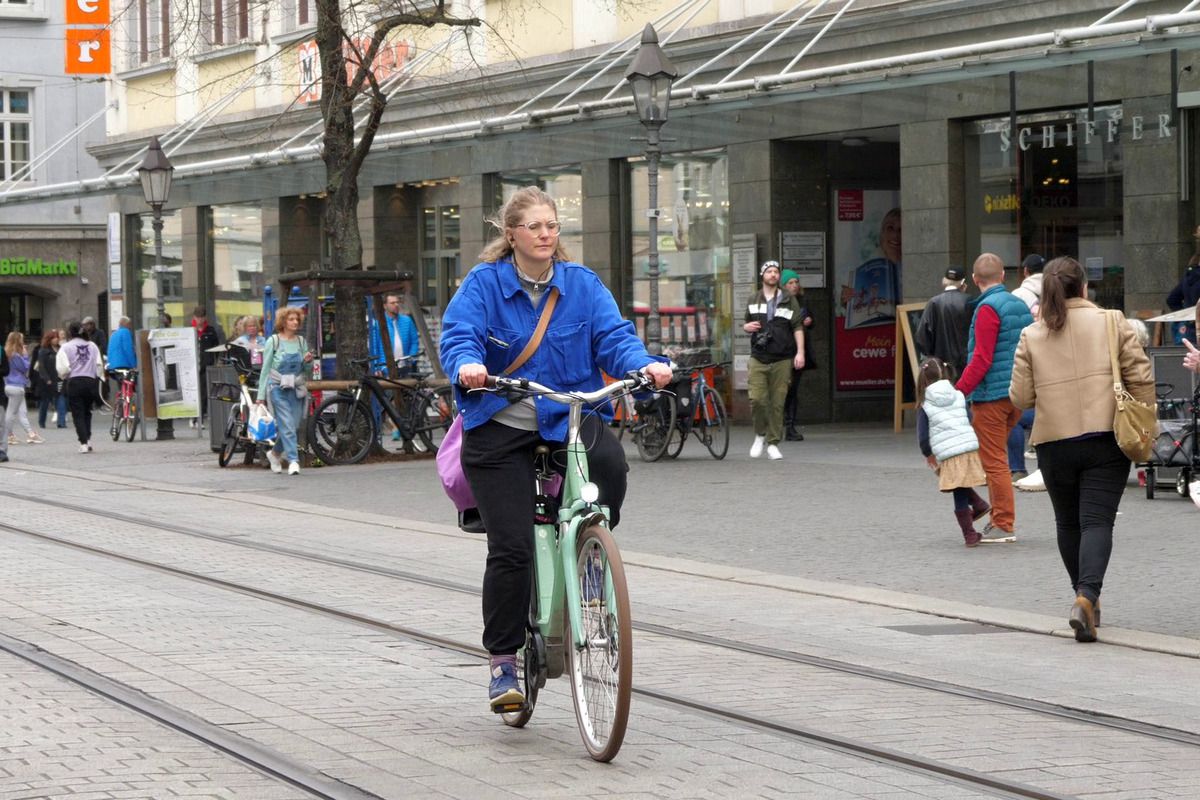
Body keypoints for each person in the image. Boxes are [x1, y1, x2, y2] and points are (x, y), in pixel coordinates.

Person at [439, 186, 672, 711]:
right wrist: (468, 367)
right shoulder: (484, 285)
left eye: (553, 226)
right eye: (536, 226)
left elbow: (614, 337)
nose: (547, 234)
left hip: (568, 416)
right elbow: (459, 337)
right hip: (500, 424)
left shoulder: (581, 286)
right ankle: (502, 663)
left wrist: (645, 363)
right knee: (513, 548)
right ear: (512, 234)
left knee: (611, 463)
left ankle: (592, 554)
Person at [1010, 257, 1154, 642]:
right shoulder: (1112, 321)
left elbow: (1021, 397)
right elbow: (1141, 377)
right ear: (1084, 287)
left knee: (1068, 523)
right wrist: (1143, 419)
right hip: (1105, 438)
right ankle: (1087, 597)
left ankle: (1084, 599)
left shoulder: (1032, 334)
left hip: (1054, 442)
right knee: (1097, 522)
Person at [956, 253, 1033, 543]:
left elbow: (982, 358)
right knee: (997, 458)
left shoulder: (987, 308)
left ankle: (1002, 522)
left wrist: (959, 390)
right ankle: (998, 516)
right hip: (1016, 393)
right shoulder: (1020, 305)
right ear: (1003, 276)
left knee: (995, 462)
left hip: (991, 396)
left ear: (976, 280)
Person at [916, 357, 990, 547]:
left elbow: (923, 436)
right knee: (960, 483)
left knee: (958, 490)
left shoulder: (925, 403)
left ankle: (969, 535)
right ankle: (979, 504)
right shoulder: (958, 394)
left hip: (948, 453)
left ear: (923, 379)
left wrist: (928, 453)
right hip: (967, 447)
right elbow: (969, 416)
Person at [744, 260, 805, 460]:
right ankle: (760, 434)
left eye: (776, 272)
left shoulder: (788, 299)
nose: (773, 275)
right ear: (763, 275)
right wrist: (746, 328)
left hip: (782, 357)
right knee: (757, 400)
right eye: (769, 271)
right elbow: (746, 323)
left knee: (778, 402)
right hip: (759, 356)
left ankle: (772, 443)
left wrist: (800, 352)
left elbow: (797, 326)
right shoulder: (754, 298)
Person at [256, 306, 313, 476]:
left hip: (295, 388)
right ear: (283, 322)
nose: (295, 322)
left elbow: (306, 369)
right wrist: (260, 396)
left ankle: (274, 454)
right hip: (277, 388)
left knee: (292, 426)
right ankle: (293, 461)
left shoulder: (301, 342)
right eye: (291, 319)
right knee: (287, 424)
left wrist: (308, 361)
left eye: (297, 319)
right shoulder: (273, 341)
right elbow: (265, 369)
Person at [1007, 255, 1045, 484]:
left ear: (1025, 271)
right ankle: (1045, 468)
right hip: (1054, 365)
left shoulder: (1017, 296)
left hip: (1027, 362)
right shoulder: (1058, 292)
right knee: (1047, 413)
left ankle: (1018, 469)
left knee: (1017, 417)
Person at [369, 293, 421, 443]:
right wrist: (378, 365)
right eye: (392, 303)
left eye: (397, 302)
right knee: (390, 398)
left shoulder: (407, 321)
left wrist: (411, 357)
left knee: (406, 397)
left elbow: (414, 341)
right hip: (386, 367)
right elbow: (375, 345)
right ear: (385, 305)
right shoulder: (379, 323)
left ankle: (404, 426)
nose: (395, 305)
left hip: (405, 365)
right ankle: (395, 427)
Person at [914, 267, 972, 376]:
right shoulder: (969, 301)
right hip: (966, 367)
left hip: (942, 368)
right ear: (963, 283)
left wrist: (931, 356)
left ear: (944, 280)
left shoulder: (934, 303)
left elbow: (922, 338)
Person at [56, 320, 103, 453]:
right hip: (90, 381)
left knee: (78, 413)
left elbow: (63, 368)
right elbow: (99, 365)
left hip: (74, 382)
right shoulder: (92, 345)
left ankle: (83, 442)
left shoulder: (65, 347)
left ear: (70, 332)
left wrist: (64, 376)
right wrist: (97, 377)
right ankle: (88, 439)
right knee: (87, 412)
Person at [780, 269, 815, 442]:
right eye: (790, 283)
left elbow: (810, 319)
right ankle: (775, 424)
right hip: (783, 351)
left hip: (798, 351)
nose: (794, 286)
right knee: (782, 390)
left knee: (792, 390)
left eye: (796, 282)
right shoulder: (780, 302)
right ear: (783, 286)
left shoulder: (802, 300)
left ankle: (790, 426)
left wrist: (809, 321)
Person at [4, 332, 42, 445]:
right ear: (17, 341)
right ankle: (8, 435)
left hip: (9, 384)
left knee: (22, 412)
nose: (23, 341)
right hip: (17, 386)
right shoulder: (15, 355)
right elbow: (25, 368)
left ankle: (30, 434)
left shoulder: (6, 353)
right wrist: (25, 355)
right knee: (11, 413)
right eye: (21, 339)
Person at [191, 306, 223, 425]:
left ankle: (200, 418)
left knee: (204, 393)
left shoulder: (210, 330)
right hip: (193, 366)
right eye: (198, 317)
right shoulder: (190, 331)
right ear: (194, 317)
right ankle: (194, 417)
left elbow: (216, 347)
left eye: (202, 317)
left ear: (205, 318)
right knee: (193, 393)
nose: (200, 320)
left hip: (206, 365)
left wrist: (214, 360)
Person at [34, 330, 67, 429]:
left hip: (59, 379)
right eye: (54, 337)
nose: (56, 339)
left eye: (57, 337)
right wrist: (46, 379)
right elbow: (41, 366)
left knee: (61, 399)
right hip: (47, 381)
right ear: (49, 339)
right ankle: (41, 421)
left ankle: (61, 422)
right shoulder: (43, 351)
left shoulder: (61, 349)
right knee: (45, 402)